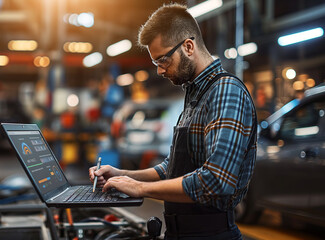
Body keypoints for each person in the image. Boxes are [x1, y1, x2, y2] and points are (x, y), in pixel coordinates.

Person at [89, 3, 257, 240]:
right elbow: (173, 168)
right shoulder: (195, 94)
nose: (159, 71)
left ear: (188, 46)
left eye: (163, 60)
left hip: (211, 234)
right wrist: (122, 175)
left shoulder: (226, 91)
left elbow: (216, 181)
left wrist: (140, 189)